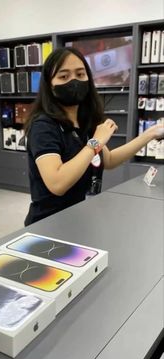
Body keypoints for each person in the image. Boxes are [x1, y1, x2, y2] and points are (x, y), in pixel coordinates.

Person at [24, 47, 164, 226]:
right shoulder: (43, 126)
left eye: (80, 74)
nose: (74, 81)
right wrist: (95, 142)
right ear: (49, 84)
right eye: (64, 76)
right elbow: (57, 183)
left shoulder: (85, 123)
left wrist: (151, 133)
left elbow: (110, 160)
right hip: (48, 224)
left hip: (79, 217)